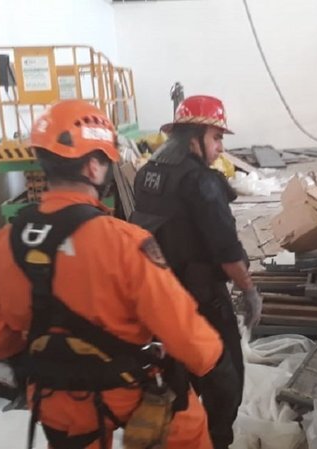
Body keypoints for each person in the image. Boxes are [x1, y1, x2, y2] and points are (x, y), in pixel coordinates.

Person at [0, 99, 240, 449]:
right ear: (93, 167)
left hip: (55, 398)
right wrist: (218, 366)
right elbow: (185, 334)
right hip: (126, 389)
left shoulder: (6, 242)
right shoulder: (125, 242)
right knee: (188, 426)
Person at [130, 95, 262, 449]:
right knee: (225, 382)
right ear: (194, 138)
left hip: (160, 302)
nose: (220, 148)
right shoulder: (202, 181)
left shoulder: (147, 175)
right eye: (216, 138)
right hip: (203, 303)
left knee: (176, 380)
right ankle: (216, 441)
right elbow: (227, 252)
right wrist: (249, 291)